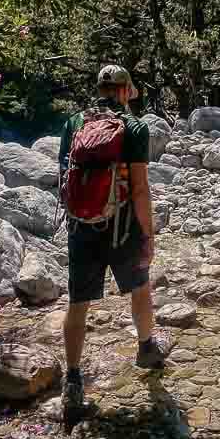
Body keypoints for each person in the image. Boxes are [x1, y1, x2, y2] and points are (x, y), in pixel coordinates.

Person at [58, 64, 169, 419]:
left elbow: (63, 177)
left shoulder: (73, 123)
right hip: (122, 226)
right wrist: (148, 235)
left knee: (78, 303)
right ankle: (146, 348)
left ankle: (73, 381)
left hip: (81, 227)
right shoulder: (135, 128)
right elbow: (139, 188)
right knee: (139, 288)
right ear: (125, 91)